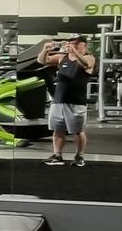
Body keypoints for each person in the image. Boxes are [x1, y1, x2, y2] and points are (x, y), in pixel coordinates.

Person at [38, 36, 97, 166]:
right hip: (59, 100)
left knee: (77, 131)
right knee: (58, 130)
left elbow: (85, 64)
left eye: (76, 44)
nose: (72, 46)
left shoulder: (89, 58)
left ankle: (79, 157)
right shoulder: (61, 57)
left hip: (76, 102)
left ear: (84, 46)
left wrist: (75, 52)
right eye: (71, 43)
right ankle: (57, 156)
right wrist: (45, 50)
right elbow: (43, 61)